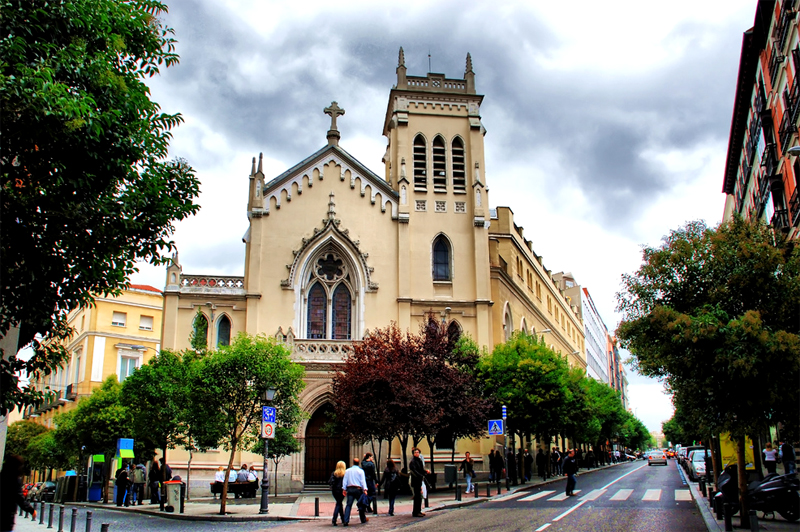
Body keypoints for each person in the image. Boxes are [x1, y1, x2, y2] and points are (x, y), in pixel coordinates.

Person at [1, 454, 36, 530]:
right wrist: (31, 510)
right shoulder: (14, 480)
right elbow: (19, 498)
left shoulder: (2, 476)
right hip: (6, 517)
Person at [342, 458, 368, 526]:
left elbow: (345, 481)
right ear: (358, 463)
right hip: (358, 489)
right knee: (361, 505)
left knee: (348, 505)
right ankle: (363, 519)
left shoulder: (347, 471)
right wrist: (365, 489)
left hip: (350, 489)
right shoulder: (360, 471)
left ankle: (346, 520)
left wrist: (344, 489)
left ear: (353, 463)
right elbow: (363, 481)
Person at [409, 448, 428, 518]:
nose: (417, 454)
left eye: (418, 452)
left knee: (419, 496)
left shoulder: (419, 460)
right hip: (415, 481)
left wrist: (425, 472)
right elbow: (414, 471)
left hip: (419, 480)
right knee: (417, 496)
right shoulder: (413, 461)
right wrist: (420, 476)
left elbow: (421, 469)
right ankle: (415, 512)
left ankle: (419, 511)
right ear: (413, 454)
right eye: (415, 452)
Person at [329, 461, 346, 526]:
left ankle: (343, 519)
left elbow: (331, 482)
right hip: (341, 490)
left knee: (339, 503)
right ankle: (334, 519)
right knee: (339, 504)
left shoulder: (334, 473)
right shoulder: (345, 474)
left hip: (335, 491)